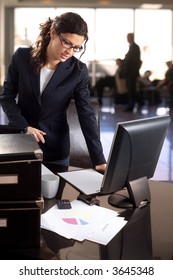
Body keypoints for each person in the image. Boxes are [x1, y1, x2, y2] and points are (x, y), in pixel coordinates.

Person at [0, 12, 106, 174]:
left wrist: (99, 160)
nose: (70, 51)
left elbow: (86, 113)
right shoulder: (21, 57)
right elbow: (6, 98)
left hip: (55, 148)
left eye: (77, 47)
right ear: (53, 33)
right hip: (19, 143)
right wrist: (24, 127)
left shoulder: (78, 71)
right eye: (66, 43)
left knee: (56, 198)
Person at [121, 33, 141, 112]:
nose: (127, 39)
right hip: (130, 73)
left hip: (131, 73)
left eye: (129, 37)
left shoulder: (135, 47)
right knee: (131, 90)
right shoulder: (131, 47)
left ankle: (131, 106)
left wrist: (134, 72)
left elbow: (135, 61)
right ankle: (139, 102)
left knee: (131, 90)